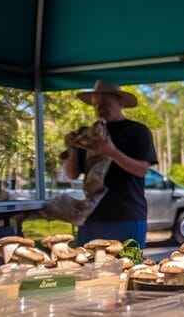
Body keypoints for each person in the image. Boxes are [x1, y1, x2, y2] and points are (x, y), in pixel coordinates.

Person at [64, 79, 157, 248]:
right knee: (91, 271)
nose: (100, 108)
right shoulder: (88, 134)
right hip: (91, 216)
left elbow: (142, 170)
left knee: (130, 270)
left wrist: (111, 152)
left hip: (127, 215)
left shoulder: (137, 131)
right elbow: (72, 174)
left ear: (121, 103)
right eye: (96, 104)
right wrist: (72, 150)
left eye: (105, 103)